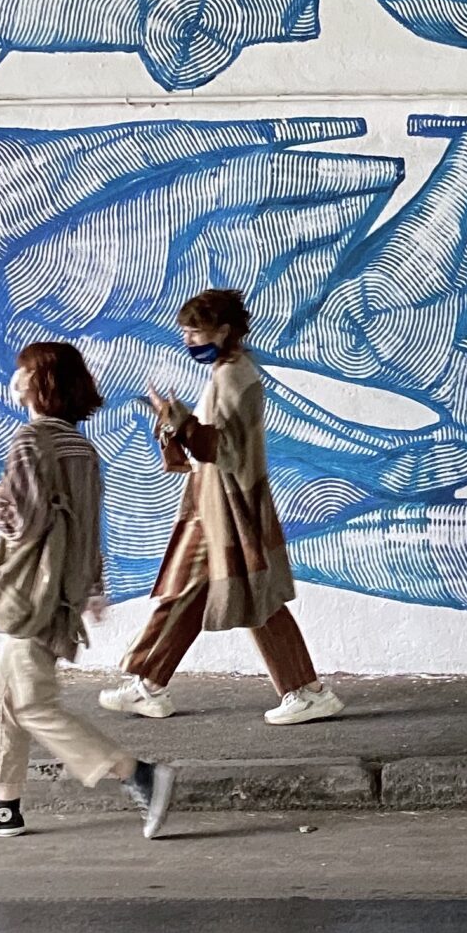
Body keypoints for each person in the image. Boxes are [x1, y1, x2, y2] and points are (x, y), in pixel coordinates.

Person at [0, 341, 175, 840]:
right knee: (4, 698)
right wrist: (92, 587)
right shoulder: (81, 447)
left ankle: (136, 773)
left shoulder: (31, 441)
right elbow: (89, 527)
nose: (15, 379)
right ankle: (4, 806)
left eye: (24, 371)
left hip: (31, 593)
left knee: (32, 704)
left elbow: (25, 525)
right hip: (62, 592)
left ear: (41, 382)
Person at [101, 288, 344, 726]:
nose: (188, 340)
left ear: (224, 330)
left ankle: (307, 691)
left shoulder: (233, 376)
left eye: (196, 331)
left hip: (230, 506)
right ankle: (149, 684)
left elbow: (226, 448)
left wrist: (180, 421)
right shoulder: (229, 370)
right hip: (214, 502)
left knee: (253, 596)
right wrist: (178, 422)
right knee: (194, 592)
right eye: (186, 331)